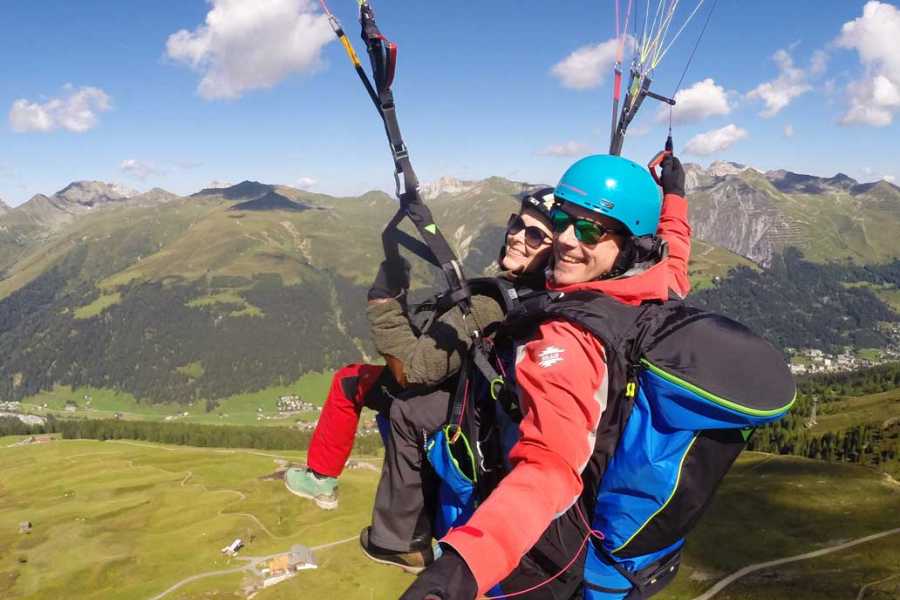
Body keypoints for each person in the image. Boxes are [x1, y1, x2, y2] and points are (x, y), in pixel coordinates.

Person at [399, 154, 691, 599]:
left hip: (537, 551)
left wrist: (462, 569)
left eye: (591, 230)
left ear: (632, 246)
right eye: (562, 220)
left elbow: (549, 466)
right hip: (589, 529)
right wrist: (675, 194)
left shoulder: (567, 337)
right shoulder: (657, 288)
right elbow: (675, 250)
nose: (567, 240)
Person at [283, 189, 556, 522]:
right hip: (465, 383)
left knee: (349, 382)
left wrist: (384, 304)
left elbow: (413, 371)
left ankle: (324, 480)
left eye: (534, 235)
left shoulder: (489, 304)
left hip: (448, 393)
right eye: (517, 224)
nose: (516, 236)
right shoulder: (539, 295)